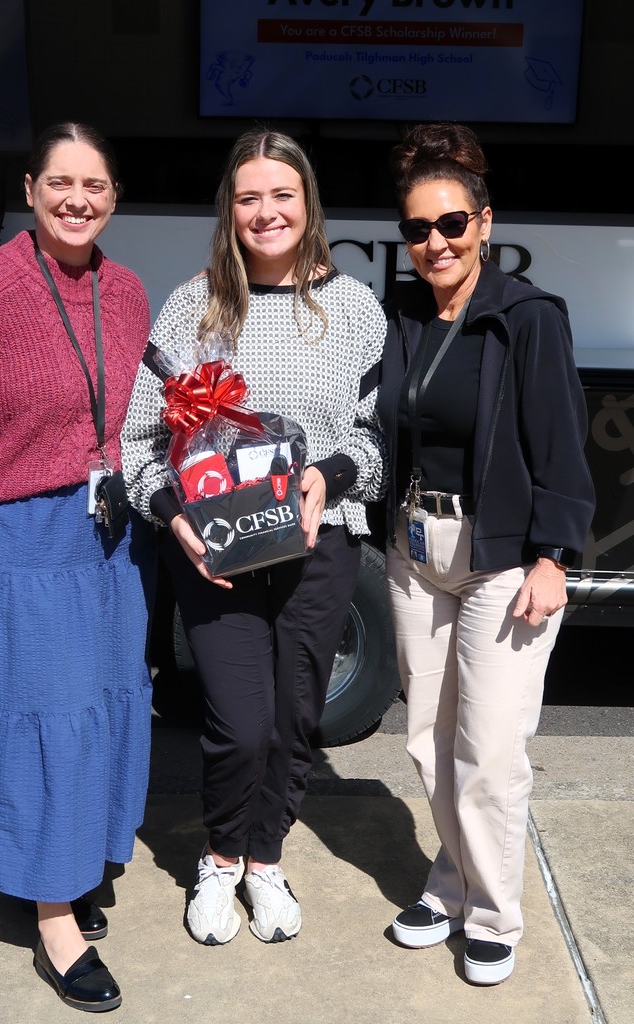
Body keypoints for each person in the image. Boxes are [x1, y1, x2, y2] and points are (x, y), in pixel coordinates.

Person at [0, 122, 154, 1012]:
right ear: (29, 187)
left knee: (96, 711)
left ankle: (67, 857)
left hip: (107, 541)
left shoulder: (124, 292)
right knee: (46, 718)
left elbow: (136, 419)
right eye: (60, 183)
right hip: (18, 543)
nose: (77, 200)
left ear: (115, 196)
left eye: (94, 185)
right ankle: (55, 917)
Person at [123, 129, 386, 945]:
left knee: (295, 719)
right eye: (248, 197)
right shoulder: (191, 304)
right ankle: (219, 856)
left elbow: (373, 445)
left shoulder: (352, 308)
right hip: (218, 551)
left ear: (307, 202)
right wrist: (173, 515)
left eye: (282, 194)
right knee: (238, 724)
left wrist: (328, 478)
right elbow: (137, 441)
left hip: (317, 547)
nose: (266, 212)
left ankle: (266, 859)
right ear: (228, 209)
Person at [377, 122, 595, 985]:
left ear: (485, 223)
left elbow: (562, 442)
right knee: (430, 742)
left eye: (452, 224)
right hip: (413, 549)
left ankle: (496, 910)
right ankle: (454, 880)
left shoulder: (528, 319)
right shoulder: (400, 319)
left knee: (491, 746)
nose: (435, 243)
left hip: (501, 552)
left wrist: (555, 554)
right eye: (418, 230)